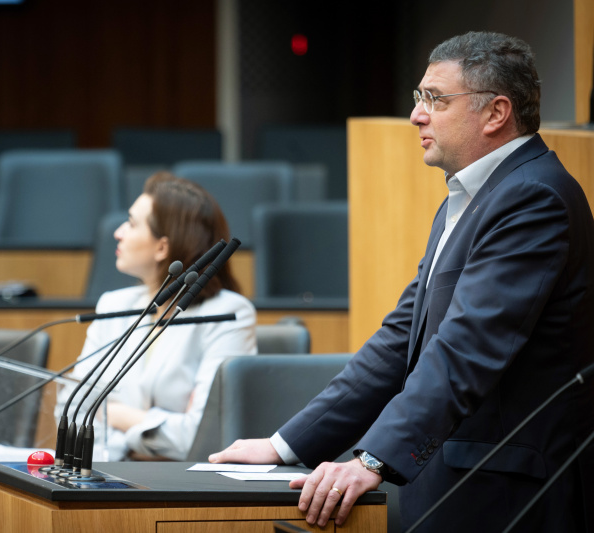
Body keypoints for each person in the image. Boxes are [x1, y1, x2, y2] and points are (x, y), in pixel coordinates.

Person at [209, 31, 594, 532]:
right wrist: (285, 445)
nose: (416, 115)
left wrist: (373, 459)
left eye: (435, 99)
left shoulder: (533, 198)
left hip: (507, 498)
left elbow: (465, 349)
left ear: (496, 113)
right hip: (463, 487)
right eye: (419, 97)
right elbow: (401, 340)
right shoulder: (474, 196)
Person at [59, 172, 257, 462]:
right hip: (107, 473)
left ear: (162, 247)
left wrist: (110, 413)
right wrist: (141, 439)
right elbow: (69, 409)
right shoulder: (114, 305)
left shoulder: (228, 314)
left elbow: (200, 438)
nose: (118, 233)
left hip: (179, 482)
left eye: (131, 223)